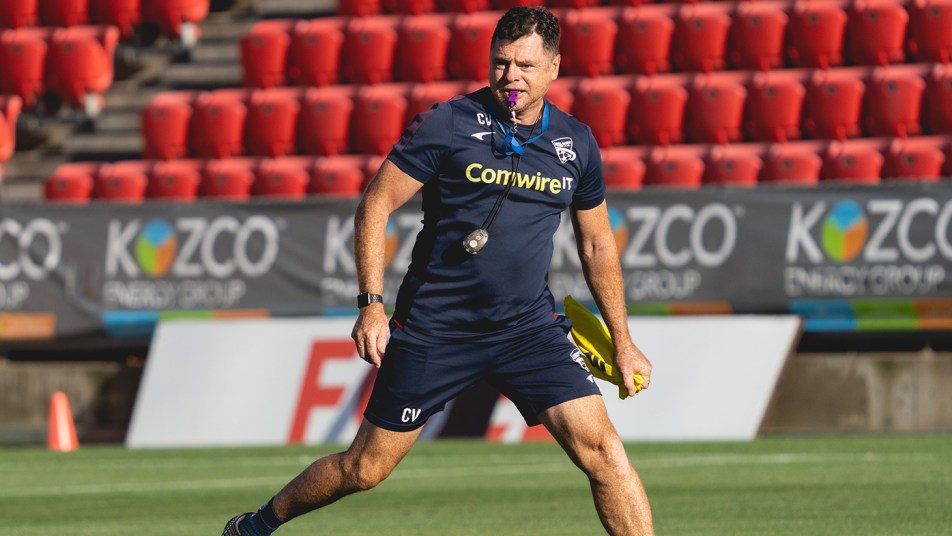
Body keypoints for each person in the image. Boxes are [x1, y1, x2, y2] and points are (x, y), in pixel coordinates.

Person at [222, 6, 654, 535]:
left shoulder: (576, 143)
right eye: (500, 63)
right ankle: (258, 524)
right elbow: (375, 206)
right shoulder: (447, 123)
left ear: (555, 68)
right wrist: (371, 305)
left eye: (524, 65)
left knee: (606, 454)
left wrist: (624, 340)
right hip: (436, 329)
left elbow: (596, 245)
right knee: (364, 469)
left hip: (528, 330)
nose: (510, 77)